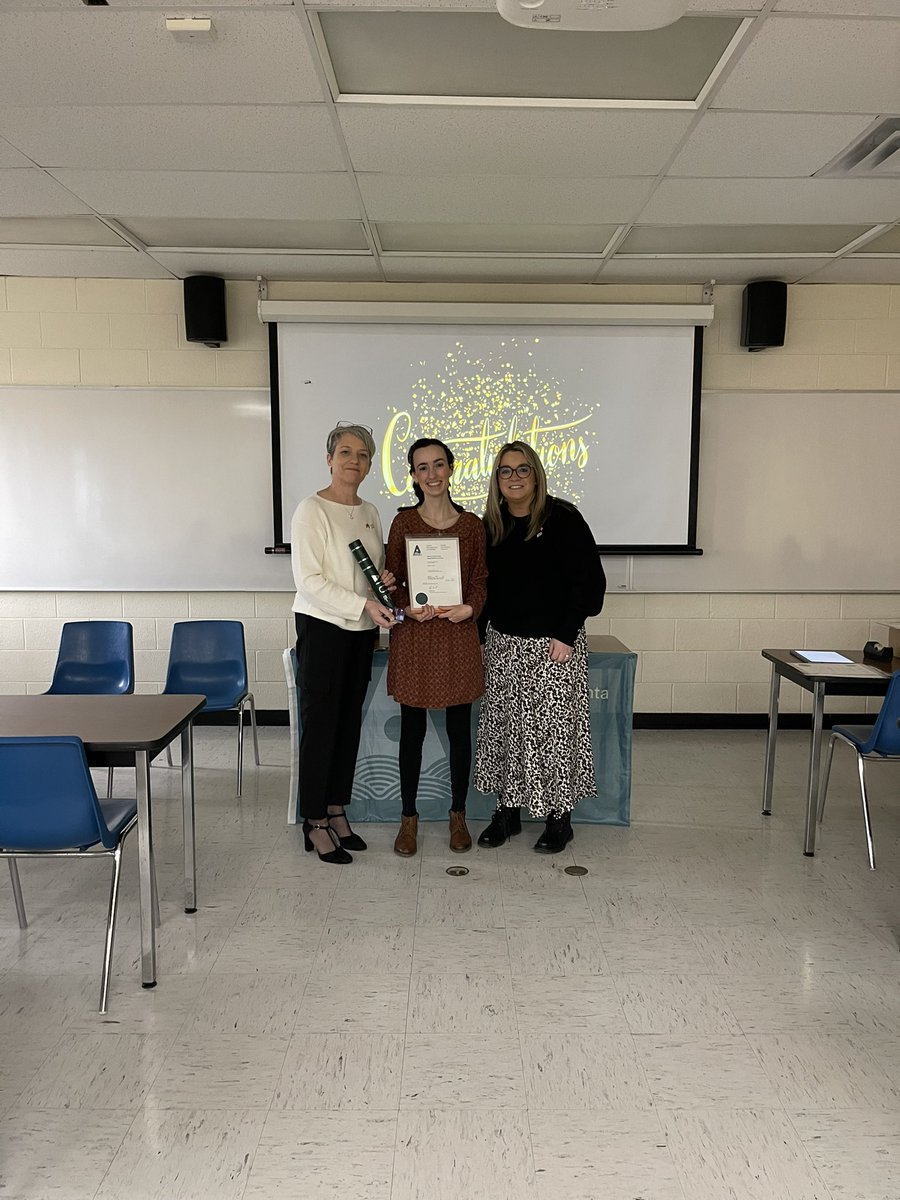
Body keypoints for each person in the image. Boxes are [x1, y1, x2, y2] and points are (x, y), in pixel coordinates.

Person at [475, 440, 606, 854]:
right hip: (504, 644)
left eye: (523, 469)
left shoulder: (564, 518)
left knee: (553, 734)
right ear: (496, 479)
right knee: (507, 731)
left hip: (555, 646)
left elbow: (589, 584)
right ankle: (507, 812)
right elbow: (483, 589)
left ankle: (559, 818)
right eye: (505, 471)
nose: (514, 477)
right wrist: (479, 636)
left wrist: (566, 634)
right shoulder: (490, 525)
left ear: (537, 474)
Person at [290, 422, 396, 865]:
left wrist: (383, 584)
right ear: (329, 458)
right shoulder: (311, 510)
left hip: (360, 630)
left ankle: (336, 809)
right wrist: (363, 604)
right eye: (346, 452)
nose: (355, 461)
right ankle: (313, 820)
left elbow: (372, 571)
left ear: (370, 464)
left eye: (363, 455)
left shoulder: (370, 511)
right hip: (323, 627)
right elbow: (309, 581)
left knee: (348, 723)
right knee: (322, 726)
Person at [385, 438, 488, 856]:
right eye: (422, 467)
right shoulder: (401, 524)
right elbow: (390, 582)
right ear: (413, 475)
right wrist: (405, 607)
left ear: (451, 469)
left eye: (439, 465)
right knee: (412, 732)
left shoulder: (472, 525)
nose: (431, 474)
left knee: (459, 731)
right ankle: (408, 819)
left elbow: (481, 579)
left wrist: (471, 607)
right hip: (416, 636)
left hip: (457, 634)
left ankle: (457, 815)